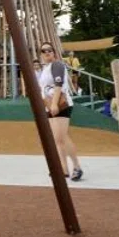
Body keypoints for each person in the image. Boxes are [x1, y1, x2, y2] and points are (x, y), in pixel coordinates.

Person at [38, 41, 84, 181]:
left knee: (61, 138)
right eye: (43, 51)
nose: (47, 53)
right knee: (59, 139)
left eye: (49, 50)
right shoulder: (45, 69)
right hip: (50, 105)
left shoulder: (57, 65)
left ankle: (76, 167)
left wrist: (54, 104)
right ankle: (63, 169)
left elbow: (58, 84)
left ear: (54, 52)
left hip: (60, 104)